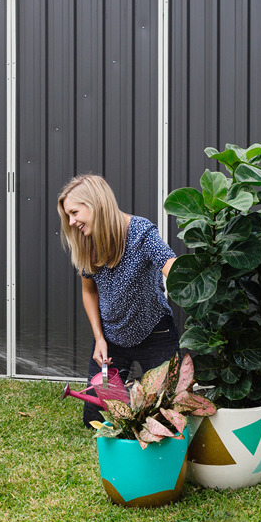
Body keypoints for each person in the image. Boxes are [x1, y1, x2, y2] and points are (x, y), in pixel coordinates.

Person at [57, 174, 179, 427]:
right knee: (96, 420)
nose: (71, 222)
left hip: (155, 331)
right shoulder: (87, 242)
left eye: (74, 212)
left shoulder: (140, 232)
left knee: (166, 416)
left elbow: (171, 265)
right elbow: (89, 291)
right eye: (68, 216)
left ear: (94, 203)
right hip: (111, 337)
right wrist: (100, 339)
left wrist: (191, 282)